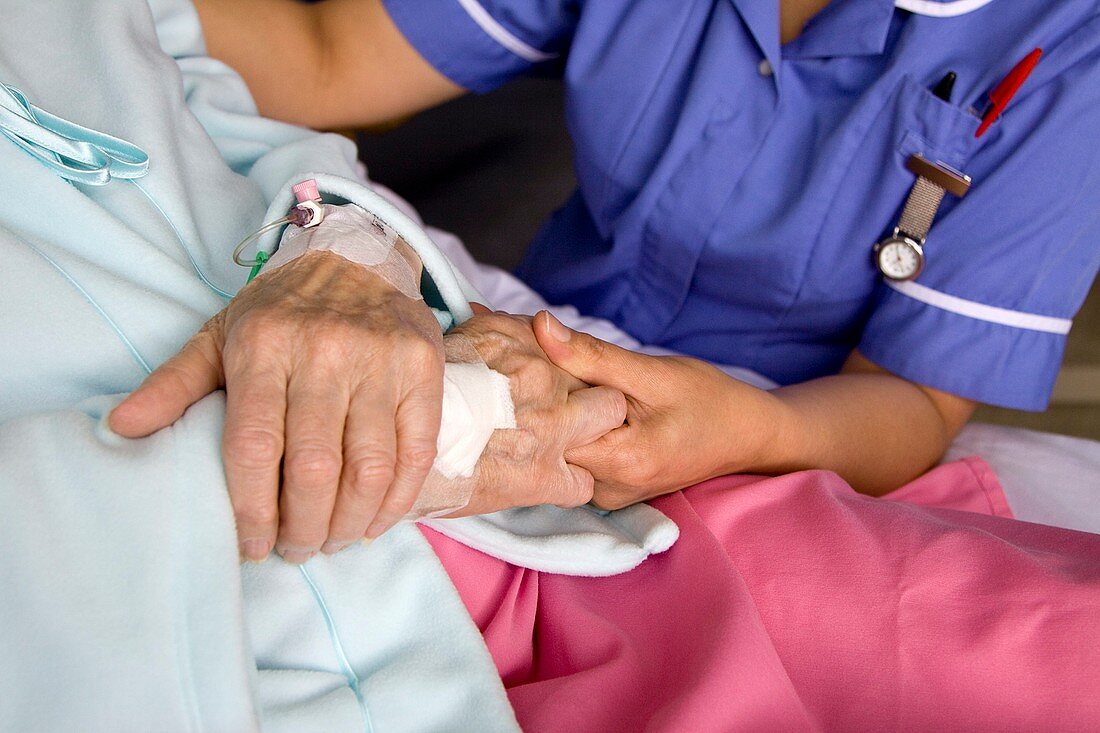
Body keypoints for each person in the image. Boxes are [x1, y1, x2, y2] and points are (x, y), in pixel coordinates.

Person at [108, 0, 1100, 563]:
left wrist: (749, 432)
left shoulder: (1066, 59)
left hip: (795, 428)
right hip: (526, 322)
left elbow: (912, 399)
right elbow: (326, 63)